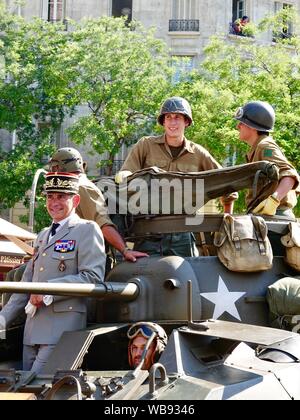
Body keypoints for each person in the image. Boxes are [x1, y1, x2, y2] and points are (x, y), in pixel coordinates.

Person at [0, 172, 106, 373]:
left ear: (75, 200)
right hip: (31, 333)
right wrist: (1, 320)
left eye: (61, 196)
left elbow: (92, 278)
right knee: (23, 391)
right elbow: (25, 286)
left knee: (41, 391)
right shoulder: (43, 235)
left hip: (62, 330)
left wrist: (47, 292)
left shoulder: (87, 229)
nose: (54, 202)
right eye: (50, 196)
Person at [115, 96, 237, 256]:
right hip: (149, 231)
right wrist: (125, 178)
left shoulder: (198, 153)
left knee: (188, 277)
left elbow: (227, 184)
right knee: (145, 276)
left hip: (184, 232)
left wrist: (227, 221)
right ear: (163, 122)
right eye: (168, 118)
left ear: (186, 122)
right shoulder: (145, 145)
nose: (173, 123)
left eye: (178, 118)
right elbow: (127, 176)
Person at [49, 148, 148, 264]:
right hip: (71, 256)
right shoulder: (73, 187)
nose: (52, 172)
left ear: (58, 168)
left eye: (53, 167)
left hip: (83, 260)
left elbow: (103, 223)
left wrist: (125, 250)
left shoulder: (82, 187)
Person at [235, 100, 300, 219]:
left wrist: (274, 200)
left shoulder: (265, 146)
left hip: (275, 216)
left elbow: (289, 175)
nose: (238, 126)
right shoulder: (259, 147)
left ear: (253, 126)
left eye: (242, 123)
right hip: (266, 216)